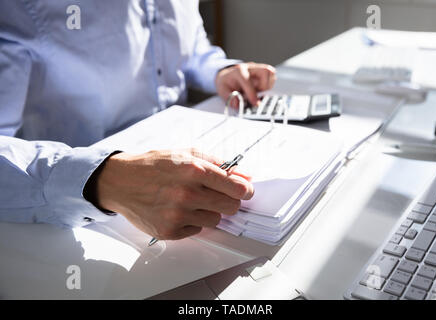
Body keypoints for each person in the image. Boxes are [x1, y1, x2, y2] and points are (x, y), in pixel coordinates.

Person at [0, 1, 276, 240]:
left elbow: (191, 47)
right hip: (83, 223)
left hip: (192, 165)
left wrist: (219, 70)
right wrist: (102, 180)